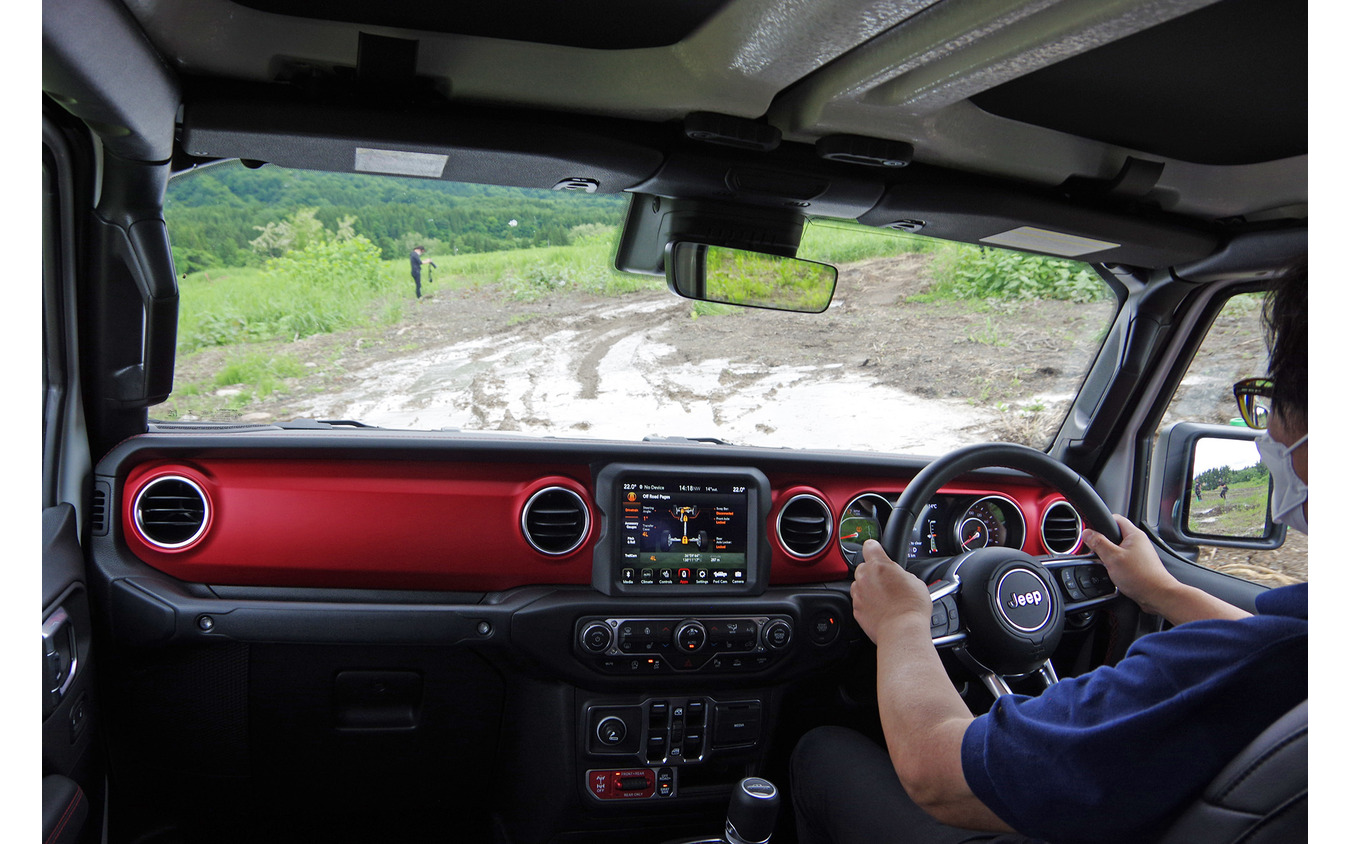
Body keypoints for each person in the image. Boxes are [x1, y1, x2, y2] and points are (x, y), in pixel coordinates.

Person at [791, 268, 1307, 844]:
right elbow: (1269, 645)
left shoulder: (1226, 669)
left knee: (820, 749)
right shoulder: (1291, 650)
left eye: (1270, 402)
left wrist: (902, 624)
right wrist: (1162, 590)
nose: (1270, 436)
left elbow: (938, 774)